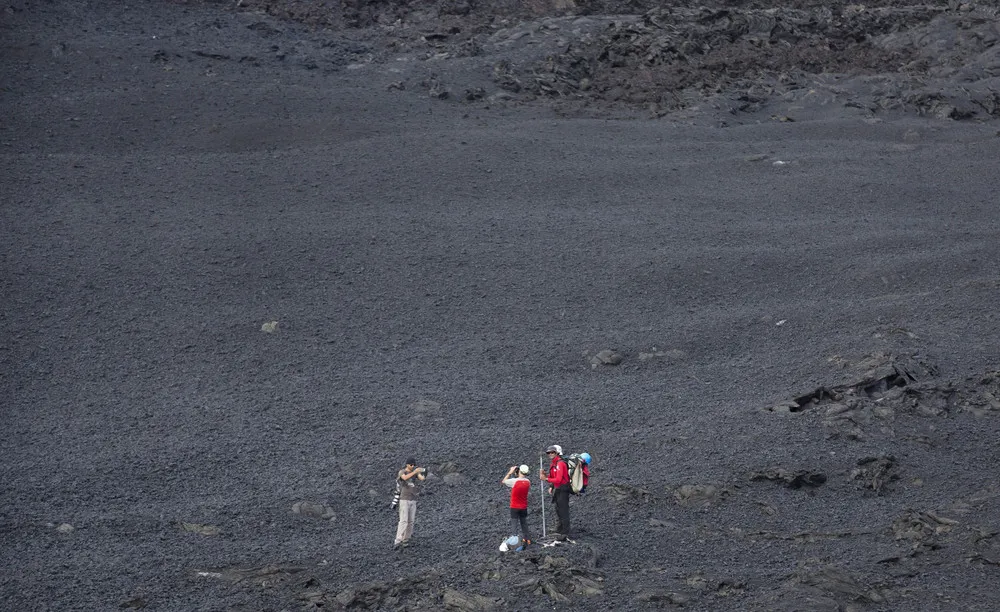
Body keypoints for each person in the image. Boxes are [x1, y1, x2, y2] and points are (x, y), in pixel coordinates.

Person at [393, 458, 426, 550]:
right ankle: (398, 540)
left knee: (411, 521)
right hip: (404, 499)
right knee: (403, 520)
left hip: (413, 499)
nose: (412, 466)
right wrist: (415, 472)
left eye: (413, 465)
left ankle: (406, 539)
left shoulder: (414, 473)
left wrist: (420, 472)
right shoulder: (402, 471)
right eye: (411, 465)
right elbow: (404, 478)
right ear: (407, 464)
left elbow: (422, 479)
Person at [539, 444, 571, 538]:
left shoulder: (560, 463)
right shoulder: (554, 463)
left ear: (557, 452)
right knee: (558, 509)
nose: (550, 454)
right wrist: (550, 484)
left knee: (563, 510)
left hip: (563, 489)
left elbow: (559, 479)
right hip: (558, 489)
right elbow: (553, 478)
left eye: (552, 452)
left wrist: (545, 479)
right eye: (548, 452)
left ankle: (565, 532)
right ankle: (560, 529)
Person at [501, 464, 532, 548]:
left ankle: (514, 543)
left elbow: (503, 481)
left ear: (519, 471)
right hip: (523, 506)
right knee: (524, 523)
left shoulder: (514, 481)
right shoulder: (528, 482)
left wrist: (510, 472)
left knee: (514, 525)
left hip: (514, 506)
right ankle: (527, 539)